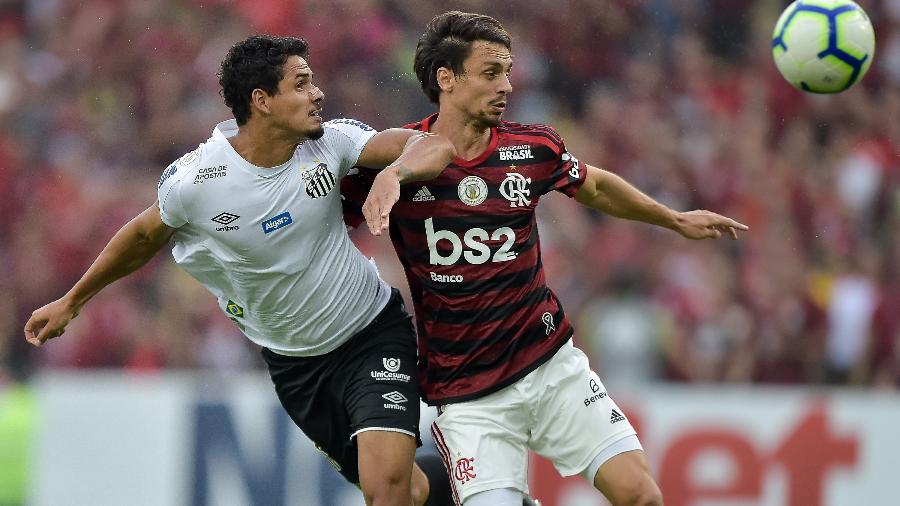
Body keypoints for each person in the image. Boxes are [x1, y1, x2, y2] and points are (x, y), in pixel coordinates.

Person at [23, 34, 458, 506]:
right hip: (295, 367)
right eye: (301, 84)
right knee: (410, 491)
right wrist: (73, 301)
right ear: (262, 101)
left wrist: (394, 173)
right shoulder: (197, 182)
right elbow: (145, 234)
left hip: (373, 332)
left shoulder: (332, 143)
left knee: (387, 490)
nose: (317, 94)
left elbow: (431, 144)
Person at [345, 11, 750, 506]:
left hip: (551, 368)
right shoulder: (394, 157)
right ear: (446, 79)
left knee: (641, 495)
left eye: (508, 72)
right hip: (468, 396)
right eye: (491, 73)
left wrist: (673, 219)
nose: (507, 86)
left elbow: (595, 185)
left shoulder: (531, 148)